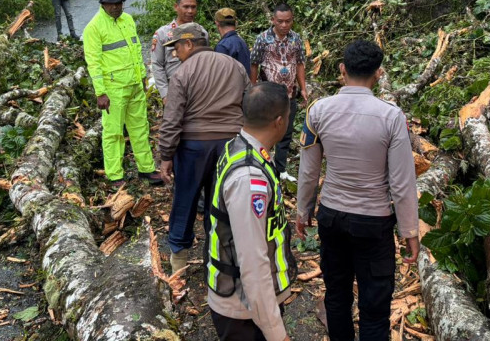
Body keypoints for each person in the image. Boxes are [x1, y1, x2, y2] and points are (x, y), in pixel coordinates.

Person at [296, 39, 419, 341]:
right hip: (373, 222)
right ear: (378, 73)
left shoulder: (318, 111)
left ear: (342, 69)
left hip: (332, 217)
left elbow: (309, 170)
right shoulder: (392, 117)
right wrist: (409, 231)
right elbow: (402, 181)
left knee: (337, 296)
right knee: (374, 308)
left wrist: (303, 210)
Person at [206, 82, 297, 341]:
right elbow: (253, 264)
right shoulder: (248, 178)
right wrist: (276, 333)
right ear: (279, 122)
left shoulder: (240, 147)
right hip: (242, 308)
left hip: (248, 302)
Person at [157, 23, 251, 274]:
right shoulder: (236, 67)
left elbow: (172, 118)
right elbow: (249, 105)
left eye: (177, 48)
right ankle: (218, 260)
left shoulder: (183, 72)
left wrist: (166, 155)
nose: (175, 53)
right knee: (220, 203)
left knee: (184, 201)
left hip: (193, 148)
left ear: (189, 44)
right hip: (230, 145)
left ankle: (178, 263)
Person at [82, 0, 162, 189]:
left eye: (119, 3)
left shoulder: (128, 20)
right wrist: (100, 92)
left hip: (134, 85)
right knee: (113, 132)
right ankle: (115, 175)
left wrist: (142, 77)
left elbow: (136, 49)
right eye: (112, 4)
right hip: (113, 90)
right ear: (103, 4)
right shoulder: (94, 27)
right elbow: (93, 63)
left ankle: (146, 169)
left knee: (140, 128)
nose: (117, 7)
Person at [249, 3, 307, 181]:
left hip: (289, 94)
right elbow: (254, 64)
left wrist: (303, 87)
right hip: (267, 95)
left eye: (288, 21)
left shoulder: (296, 39)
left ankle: (280, 170)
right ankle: (260, 164)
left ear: (292, 20)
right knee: (265, 129)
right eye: (280, 21)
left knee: (286, 132)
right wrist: (252, 87)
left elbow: (300, 64)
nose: (284, 25)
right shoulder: (262, 39)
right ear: (273, 20)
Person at [151, 0, 210, 102]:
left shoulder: (202, 33)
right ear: (176, 7)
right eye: (186, 7)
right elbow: (157, 65)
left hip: (199, 91)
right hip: (174, 90)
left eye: (193, 7)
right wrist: (165, 94)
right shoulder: (162, 34)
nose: (190, 11)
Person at [214, 8, 251, 76]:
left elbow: (220, 75)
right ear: (236, 23)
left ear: (217, 23)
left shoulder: (222, 46)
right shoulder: (242, 42)